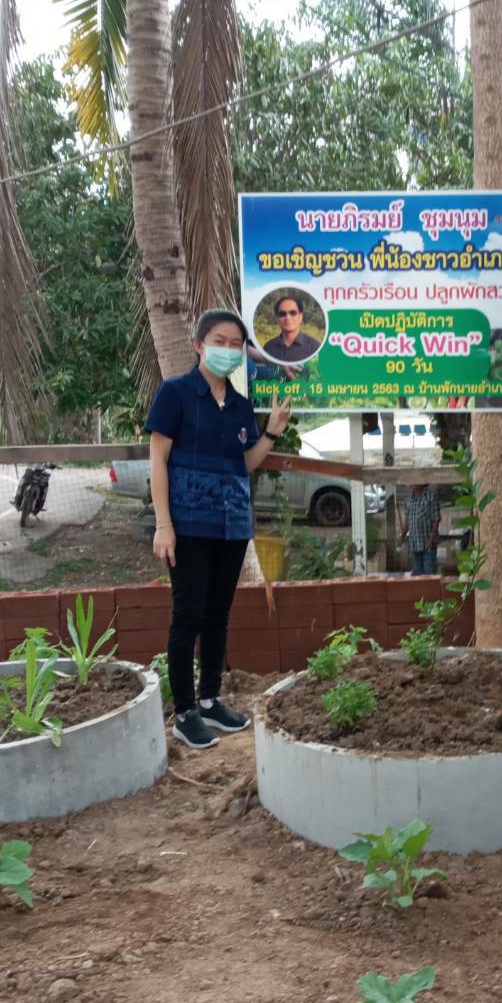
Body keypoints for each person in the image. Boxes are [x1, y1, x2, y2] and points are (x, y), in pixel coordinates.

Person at [146, 309, 292, 749]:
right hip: (187, 526)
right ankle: (185, 712)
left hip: (231, 527)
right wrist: (164, 525)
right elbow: (157, 461)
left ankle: (211, 699)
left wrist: (270, 434)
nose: (227, 350)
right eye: (219, 340)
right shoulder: (174, 394)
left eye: (235, 344)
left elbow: (242, 464)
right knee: (187, 615)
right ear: (199, 345)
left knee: (217, 615)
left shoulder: (242, 406)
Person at [262, 294, 322, 365]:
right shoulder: (269, 347)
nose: (287, 317)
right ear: (277, 319)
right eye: (282, 314)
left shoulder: (314, 347)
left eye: (293, 313)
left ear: (300, 317)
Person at [402, 482, 441, 575]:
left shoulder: (431, 497)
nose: (413, 482)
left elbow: (436, 520)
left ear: (423, 482)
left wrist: (431, 540)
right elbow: (407, 520)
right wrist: (403, 535)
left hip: (428, 545)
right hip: (414, 544)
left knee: (429, 573)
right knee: (417, 575)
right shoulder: (408, 500)